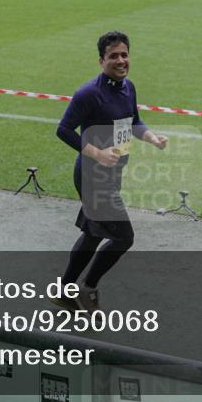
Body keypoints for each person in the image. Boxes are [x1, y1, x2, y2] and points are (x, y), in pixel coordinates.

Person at [53, 31, 167, 312]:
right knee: (123, 237)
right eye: (113, 56)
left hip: (112, 175)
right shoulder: (89, 94)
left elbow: (134, 121)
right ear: (101, 60)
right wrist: (97, 153)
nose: (121, 60)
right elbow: (63, 130)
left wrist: (151, 137)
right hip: (93, 177)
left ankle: (63, 291)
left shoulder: (128, 87)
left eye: (124, 55)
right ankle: (87, 289)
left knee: (94, 234)